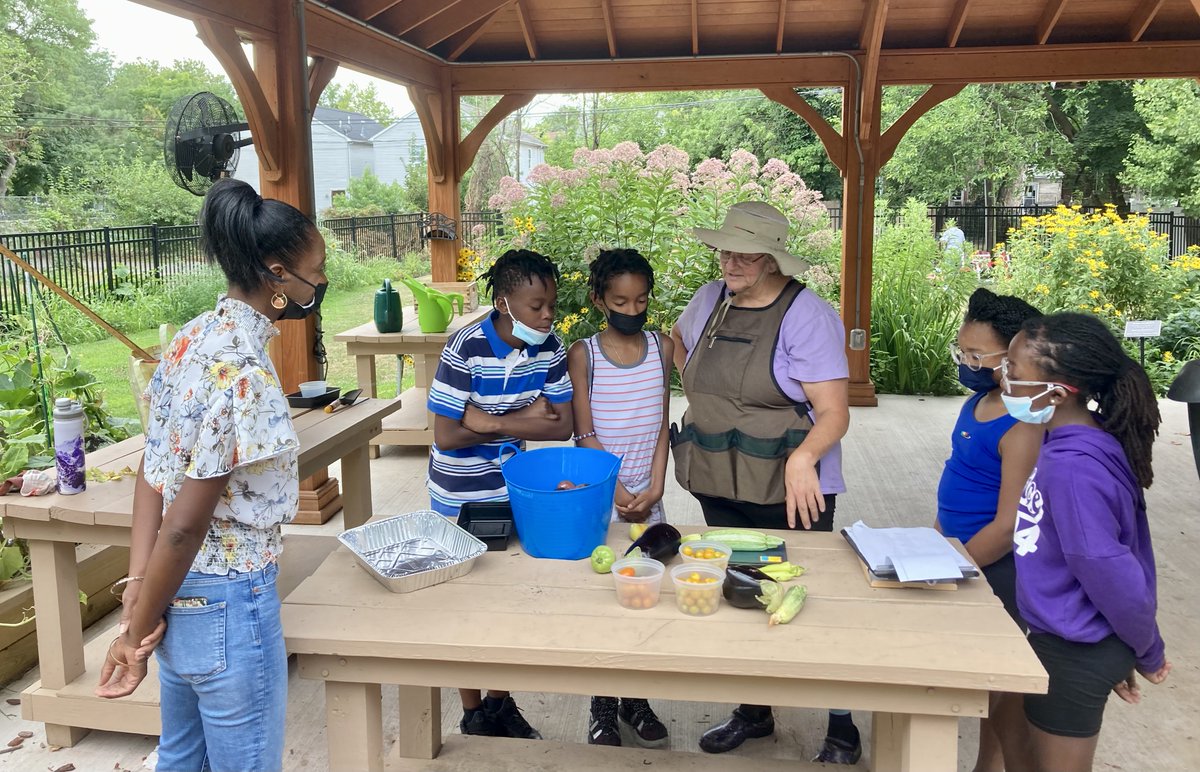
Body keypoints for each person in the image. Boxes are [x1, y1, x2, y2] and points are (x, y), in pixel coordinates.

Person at [95, 178, 327, 772]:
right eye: (315, 269)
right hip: (230, 602)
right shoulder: (243, 373)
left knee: (180, 758)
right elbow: (183, 526)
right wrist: (131, 637)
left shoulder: (189, 340)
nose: (321, 282)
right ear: (278, 275)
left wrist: (140, 595)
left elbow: (154, 469)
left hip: (176, 593)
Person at [669, 201, 858, 764]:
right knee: (742, 593)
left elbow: (834, 413)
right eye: (725, 248)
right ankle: (755, 713)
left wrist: (804, 460)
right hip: (720, 478)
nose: (730, 260)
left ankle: (842, 722)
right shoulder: (708, 300)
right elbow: (679, 345)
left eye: (746, 252)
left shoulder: (808, 315)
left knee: (806, 599)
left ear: (774, 259)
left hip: (788, 489)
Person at [1001, 312, 1171, 772]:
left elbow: (1110, 570)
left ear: (1055, 394)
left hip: (1073, 648)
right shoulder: (1077, 444)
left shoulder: (1074, 469)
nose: (1005, 378)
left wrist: (1145, 648)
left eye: (1013, 370)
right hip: (1075, 641)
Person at [426, 248, 574, 739]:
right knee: (464, 603)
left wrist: (489, 420)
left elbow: (562, 426)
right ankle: (473, 712)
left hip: (511, 490)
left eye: (551, 303)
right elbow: (445, 435)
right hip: (458, 496)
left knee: (506, 602)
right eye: (536, 306)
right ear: (505, 301)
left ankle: (500, 702)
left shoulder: (550, 349)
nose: (547, 314)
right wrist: (524, 421)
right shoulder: (465, 346)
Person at [567, 248, 673, 748]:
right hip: (603, 497)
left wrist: (655, 488)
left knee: (643, 599)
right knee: (603, 603)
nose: (632, 311)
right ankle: (603, 706)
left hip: (648, 498)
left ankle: (637, 698)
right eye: (621, 301)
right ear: (598, 300)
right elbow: (584, 431)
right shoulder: (583, 354)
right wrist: (621, 489)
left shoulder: (662, 346)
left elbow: (660, 426)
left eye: (641, 301)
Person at [936, 287, 1044, 772]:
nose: (967, 363)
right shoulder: (977, 404)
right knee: (983, 680)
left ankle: (993, 765)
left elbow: (1007, 526)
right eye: (963, 351)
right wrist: (936, 540)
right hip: (958, 554)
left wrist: (947, 567)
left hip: (993, 569)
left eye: (977, 355)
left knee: (999, 686)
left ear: (1016, 356)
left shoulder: (1021, 426)